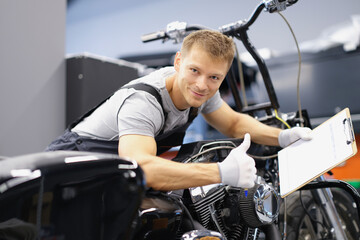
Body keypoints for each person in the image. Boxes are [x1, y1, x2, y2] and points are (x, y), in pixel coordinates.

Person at [47, 29, 312, 191]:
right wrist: (221, 173)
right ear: (178, 61)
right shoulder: (144, 101)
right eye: (194, 70)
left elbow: (232, 123)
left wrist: (281, 137)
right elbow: (143, 168)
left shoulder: (203, 89)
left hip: (111, 174)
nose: (202, 85)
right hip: (66, 172)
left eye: (214, 78)